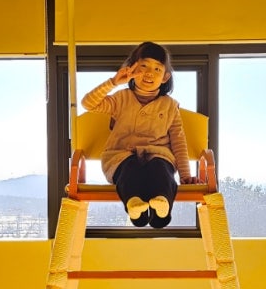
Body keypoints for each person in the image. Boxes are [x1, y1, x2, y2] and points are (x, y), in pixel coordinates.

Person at [81, 41, 195, 228]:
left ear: (165, 77)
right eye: (143, 66)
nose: (150, 73)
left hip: (158, 155)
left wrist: (185, 175)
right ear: (131, 69)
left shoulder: (170, 106)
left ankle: (162, 206)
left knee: (161, 168)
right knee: (129, 169)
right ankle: (135, 205)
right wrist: (113, 82)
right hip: (121, 156)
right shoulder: (121, 99)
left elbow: (178, 141)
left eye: (157, 69)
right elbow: (88, 103)